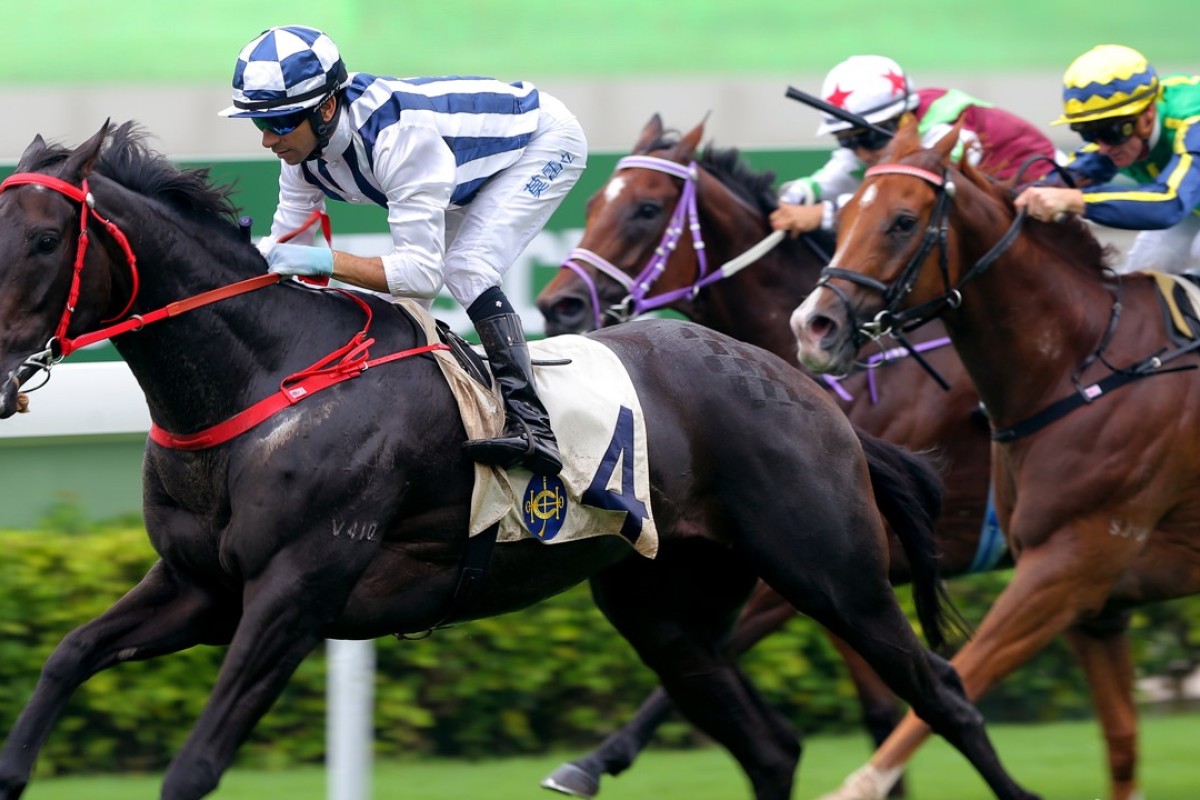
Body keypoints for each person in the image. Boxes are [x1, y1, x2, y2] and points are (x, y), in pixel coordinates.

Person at [219, 25, 588, 476]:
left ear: (327, 107)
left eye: (279, 123)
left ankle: (534, 425)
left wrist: (322, 260)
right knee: (401, 313)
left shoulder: (398, 138)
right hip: (462, 162)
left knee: (466, 269)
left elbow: (422, 274)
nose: (268, 140)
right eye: (260, 123)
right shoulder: (301, 156)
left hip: (543, 142)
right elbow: (287, 247)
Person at [771, 54, 1059, 237]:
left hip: (1054, 205)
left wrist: (824, 215)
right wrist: (799, 192)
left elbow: (913, 201)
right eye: (847, 141)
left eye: (868, 138)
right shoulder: (896, 122)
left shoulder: (944, 132)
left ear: (904, 117)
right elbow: (847, 168)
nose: (861, 152)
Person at [1015, 44, 1200, 273]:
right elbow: (1064, 181)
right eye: (1089, 133)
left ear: (1148, 114)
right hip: (1192, 209)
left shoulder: (1193, 121)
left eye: (1110, 131)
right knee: (1143, 274)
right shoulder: (1120, 135)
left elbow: (1169, 204)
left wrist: (1075, 200)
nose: (1102, 148)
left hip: (1180, 205)